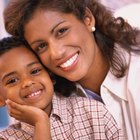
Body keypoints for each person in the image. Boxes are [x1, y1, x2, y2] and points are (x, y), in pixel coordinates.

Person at [3, 0, 140, 139]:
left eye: (61, 31)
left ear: (88, 19)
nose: (56, 53)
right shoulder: (40, 100)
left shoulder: (136, 72)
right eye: (41, 46)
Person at [0, 36, 124, 139]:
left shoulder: (93, 112)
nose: (27, 82)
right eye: (12, 80)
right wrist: (40, 122)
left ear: (50, 76)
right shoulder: (6, 137)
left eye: (35, 71)